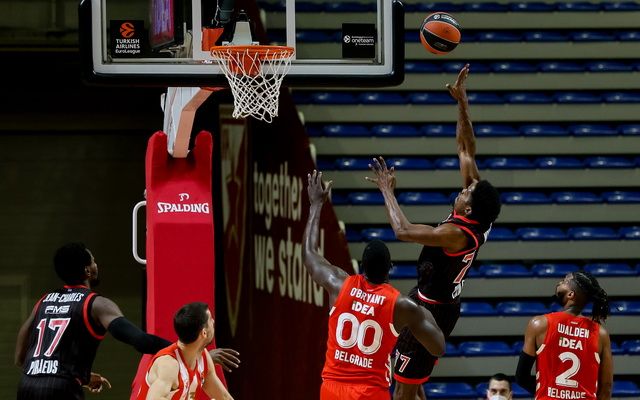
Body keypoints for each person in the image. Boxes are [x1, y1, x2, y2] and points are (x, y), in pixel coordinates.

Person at [366, 64, 502, 400]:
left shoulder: (455, 234)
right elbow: (465, 149)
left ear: (467, 209)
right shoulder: (478, 212)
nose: (463, 189)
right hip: (427, 298)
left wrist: (386, 190)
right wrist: (462, 102)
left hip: (434, 309)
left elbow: (403, 230)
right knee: (408, 376)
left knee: (404, 388)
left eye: (466, 193)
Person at [15, 242, 239, 399]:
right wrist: (192, 352)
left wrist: (79, 375)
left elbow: (20, 356)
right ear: (87, 271)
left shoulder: (43, 301)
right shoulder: (96, 304)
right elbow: (140, 340)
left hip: (27, 386)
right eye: (93, 261)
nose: (96, 265)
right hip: (61, 390)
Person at [303, 170, 446, 400]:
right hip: (370, 392)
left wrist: (316, 205)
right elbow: (438, 347)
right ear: (390, 268)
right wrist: (423, 304)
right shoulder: (401, 305)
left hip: (332, 389)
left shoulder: (338, 284)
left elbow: (310, 254)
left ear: (362, 267)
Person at [515, 271, 613, 400]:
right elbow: (606, 388)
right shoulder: (601, 334)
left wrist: (546, 391)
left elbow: (521, 376)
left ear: (571, 294)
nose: (560, 282)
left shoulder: (539, 324)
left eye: (565, 281)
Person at [134, 302, 233, 400]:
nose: (213, 321)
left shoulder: (203, 357)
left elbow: (224, 397)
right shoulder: (169, 364)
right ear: (204, 333)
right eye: (210, 319)